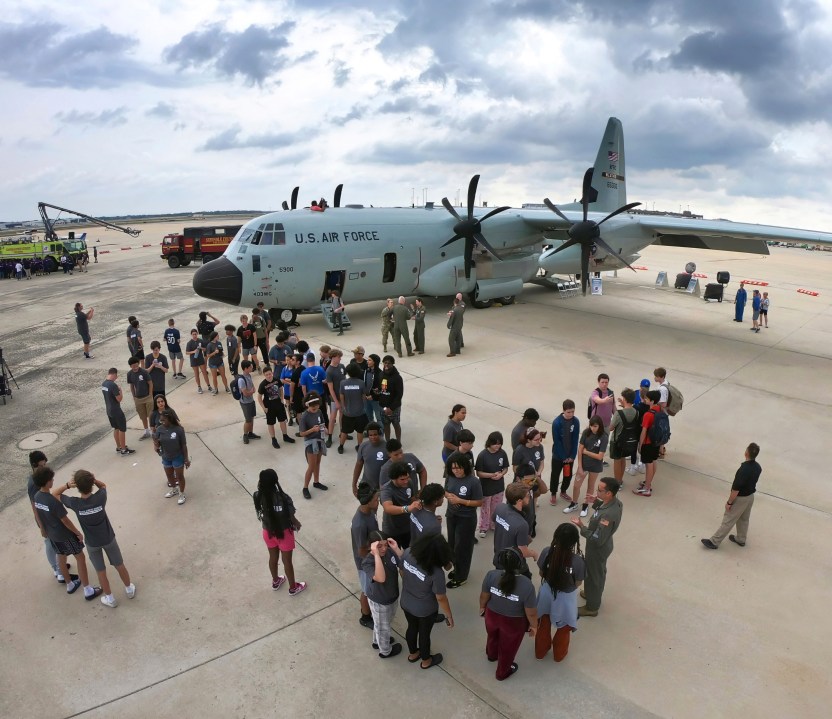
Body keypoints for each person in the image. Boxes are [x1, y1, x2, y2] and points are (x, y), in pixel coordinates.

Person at [53, 470, 136, 607]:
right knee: (119, 564)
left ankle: (110, 598)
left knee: (100, 571)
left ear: (77, 486)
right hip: (109, 539)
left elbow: (55, 494)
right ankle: (128, 588)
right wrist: (94, 480)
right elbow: (103, 486)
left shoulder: (75, 503)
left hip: (92, 543)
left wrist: (68, 485)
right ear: (91, 484)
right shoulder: (100, 497)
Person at [31, 466, 99, 600]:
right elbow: (65, 521)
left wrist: (42, 529)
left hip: (52, 535)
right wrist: (77, 532)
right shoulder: (53, 501)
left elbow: (38, 514)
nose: (53, 480)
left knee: (60, 556)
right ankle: (88, 590)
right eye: (52, 479)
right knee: (80, 557)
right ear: (47, 482)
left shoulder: (37, 496)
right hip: (65, 535)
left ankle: (69, 584)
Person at [480, 548, 538, 680]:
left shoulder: (491, 575)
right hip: (513, 623)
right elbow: (531, 612)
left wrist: (482, 607)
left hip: (491, 616)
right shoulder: (527, 585)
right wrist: (534, 626)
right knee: (508, 648)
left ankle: (491, 655)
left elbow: (484, 596)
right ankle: (502, 672)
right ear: (520, 564)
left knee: (492, 636)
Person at [400, 532, 455, 669]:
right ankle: (426, 660)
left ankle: (413, 653)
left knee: (412, 627)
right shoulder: (436, 573)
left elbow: (401, 572)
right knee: (424, 634)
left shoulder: (407, 553)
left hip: (406, 602)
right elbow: (440, 597)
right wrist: (449, 615)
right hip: (425, 610)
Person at [571, 477, 623, 617]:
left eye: (600, 490)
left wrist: (581, 526)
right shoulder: (615, 503)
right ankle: (591, 594)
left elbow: (597, 538)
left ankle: (592, 606)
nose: (596, 492)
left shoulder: (608, 514)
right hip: (604, 544)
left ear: (609, 493)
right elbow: (602, 512)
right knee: (596, 572)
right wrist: (596, 502)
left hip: (597, 548)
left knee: (595, 576)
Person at [535, 523, 584, 661]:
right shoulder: (578, 561)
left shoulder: (546, 552)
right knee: (564, 628)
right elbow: (578, 583)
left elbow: (541, 573)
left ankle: (540, 652)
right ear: (574, 542)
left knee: (544, 623)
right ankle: (558, 655)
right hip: (566, 599)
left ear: (555, 537)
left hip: (546, 592)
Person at [253, 469, 306, 595]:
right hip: (284, 533)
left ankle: (276, 581)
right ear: (275, 482)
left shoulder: (257, 495)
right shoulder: (283, 497)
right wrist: (297, 524)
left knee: (273, 557)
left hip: (267, 532)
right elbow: (291, 516)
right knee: (287, 561)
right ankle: (293, 587)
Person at [27, 451, 77, 585]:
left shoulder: (38, 478)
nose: (44, 468)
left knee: (54, 543)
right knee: (50, 543)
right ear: (34, 466)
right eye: (41, 466)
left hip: (47, 516)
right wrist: (41, 526)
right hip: (43, 518)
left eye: (44, 465)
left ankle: (59, 566)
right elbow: (34, 506)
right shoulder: (34, 483)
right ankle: (57, 570)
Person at [701, 443, 762, 550]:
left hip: (741, 498)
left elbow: (736, 489)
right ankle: (741, 539)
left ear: (746, 453)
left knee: (728, 520)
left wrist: (729, 502)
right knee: (744, 519)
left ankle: (714, 542)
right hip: (750, 497)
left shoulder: (743, 469)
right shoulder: (758, 467)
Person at [444, 451, 483, 589]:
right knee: (453, 545)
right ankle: (457, 569)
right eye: (453, 468)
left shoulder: (473, 482)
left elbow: (479, 502)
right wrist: (449, 496)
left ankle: (461, 577)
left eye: (459, 468)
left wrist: (461, 500)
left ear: (465, 467)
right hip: (451, 516)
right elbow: (446, 491)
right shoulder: (450, 477)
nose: (456, 471)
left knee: (463, 549)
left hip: (466, 519)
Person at [363, 533, 405, 658]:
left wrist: (396, 549)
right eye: (379, 546)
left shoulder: (390, 552)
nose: (384, 549)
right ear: (372, 547)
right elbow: (380, 578)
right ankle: (385, 651)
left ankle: (377, 642)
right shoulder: (368, 562)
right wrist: (376, 555)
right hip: (379, 601)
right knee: (384, 628)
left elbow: (403, 564)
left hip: (392, 597)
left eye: (386, 545)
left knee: (382, 624)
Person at [564, 416, 608, 517]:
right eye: (591, 426)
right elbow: (580, 449)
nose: (593, 428)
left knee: (590, 486)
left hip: (595, 466)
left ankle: (585, 505)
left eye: (595, 426)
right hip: (583, 465)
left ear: (599, 426)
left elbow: (600, 456)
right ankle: (574, 503)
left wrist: (587, 452)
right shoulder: (586, 432)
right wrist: (579, 466)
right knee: (576, 486)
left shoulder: (604, 437)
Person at [351, 482, 380, 629]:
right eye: (376, 499)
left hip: (373, 556)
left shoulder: (371, 511)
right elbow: (361, 551)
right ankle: (365, 616)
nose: (378, 502)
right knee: (367, 590)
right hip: (365, 563)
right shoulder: (359, 524)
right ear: (367, 502)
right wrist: (377, 552)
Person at [492, 482, 537, 574]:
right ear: (519, 501)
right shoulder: (522, 524)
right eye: (528, 496)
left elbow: (494, 520)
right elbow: (523, 551)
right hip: (514, 563)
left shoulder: (499, 507)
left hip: (499, 558)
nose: (530, 497)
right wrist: (534, 554)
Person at [476, 431, 510, 539]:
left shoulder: (502, 453)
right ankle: (483, 527)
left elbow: (505, 468)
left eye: (499, 444)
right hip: (486, 487)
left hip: (498, 486)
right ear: (489, 443)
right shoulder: (482, 455)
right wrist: (491, 475)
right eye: (495, 444)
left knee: (496, 507)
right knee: (485, 508)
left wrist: (501, 474)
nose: (497, 446)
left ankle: (494, 524)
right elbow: (479, 473)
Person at [152, 409, 191, 503]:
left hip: (178, 457)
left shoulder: (179, 429)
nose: (161, 422)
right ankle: (174, 489)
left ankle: (182, 493)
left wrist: (186, 459)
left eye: (163, 420)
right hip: (166, 457)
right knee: (169, 476)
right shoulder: (160, 429)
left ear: (170, 419)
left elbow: (184, 445)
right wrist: (156, 443)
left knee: (179, 476)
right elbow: (156, 439)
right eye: (161, 420)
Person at [380, 461, 422, 549]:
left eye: (407, 477)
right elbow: (388, 508)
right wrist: (408, 508)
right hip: (392, 530)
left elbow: (412, 498)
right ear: (393, 478)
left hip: (408, 527)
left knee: (411, 552)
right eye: (402, 479)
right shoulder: (386, 490)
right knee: (395, 556)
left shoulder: (409, 482)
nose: (406, 481)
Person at [298, 392, 328, 499]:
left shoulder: (319, 412)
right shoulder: (304, 417)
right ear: (308, 405)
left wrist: (325, 429)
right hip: (310, 443)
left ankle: (316, 482)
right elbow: (301, 433)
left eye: (317, 407)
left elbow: (323, 424)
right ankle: (305, 487)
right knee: (311, 466)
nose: (315, 409)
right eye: (313, 408)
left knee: (318, 463)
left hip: (319, 440)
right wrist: (312, 430)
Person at [633, 390, 663, 497]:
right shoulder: (660, 410)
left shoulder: (648, 414)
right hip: (656, 442)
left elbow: (644, 431)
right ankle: (648, 483)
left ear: (652, 401)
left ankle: (646, 489)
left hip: (648, 442)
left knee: (648, 464)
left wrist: (640, 445)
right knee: (654, 461)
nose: (645, 400)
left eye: (647, 399)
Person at [550, 400, 579, 506]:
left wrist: (572, 456)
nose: (571, 414)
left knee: (568, 475)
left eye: (572, 412)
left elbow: (575, 439)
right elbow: (556, 442)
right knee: (555, 475)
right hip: (558, 456)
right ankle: (553, 493)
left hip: (569, 457)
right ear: (563, 410)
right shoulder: (557, 423)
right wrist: (563, 457)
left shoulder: (575, 421)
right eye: (568, 412)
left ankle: (563, 491)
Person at [608, 389, 639, 485]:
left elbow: (611, 428)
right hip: (628, 441)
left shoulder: (619, 414)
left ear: (624, 399)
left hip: (617, 441)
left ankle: (617, 482)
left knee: (617, 461)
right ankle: (620, 479)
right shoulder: (636, 412)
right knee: (623, 459)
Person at [258, 367, 294, 448]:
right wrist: (264, 408)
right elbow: (259, 397)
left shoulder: (277, 380)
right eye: (266, 375)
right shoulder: (262, 385)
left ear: (272, 373)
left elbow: (281, 389)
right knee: (271, 423)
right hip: (269, 407)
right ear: (264, 375)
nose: (268, 376)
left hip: (279, 404)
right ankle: (273, 440)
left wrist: (282, 399)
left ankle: (285, 436)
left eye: (269, 374)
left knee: (282, 421)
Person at [101, 368, 134, 456]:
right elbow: (119, 399)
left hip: (109, 410)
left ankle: (119, 446)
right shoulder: (113, 385)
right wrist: (120, 391)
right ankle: (124, 449)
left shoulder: (104, 384)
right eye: (116, 376)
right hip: (116, 410)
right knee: (122, 429)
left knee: (116, 428)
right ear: (114, 375)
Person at [339, 362, 368, 454]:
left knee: (344, 431)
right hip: (360, 412)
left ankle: (341, 446)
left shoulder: (343, 383)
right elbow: (364, 396)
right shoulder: (361, 383)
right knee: (360, 431)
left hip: (348, 412)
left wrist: (344, 407)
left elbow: (341, 396)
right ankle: (359, 446)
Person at [352, 422, 389, 494]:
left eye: (375, 434)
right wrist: (354, 485)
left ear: (380, 433)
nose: (373, 437)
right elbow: (358, 465)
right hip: (367, 486)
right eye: (370, 435)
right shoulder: (363, 446)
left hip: (384, 487)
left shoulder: (387, 447)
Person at [126, 356, 154, 440]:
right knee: (143, 416)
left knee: (151, 415)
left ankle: (153, 431)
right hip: (138, 398)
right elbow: (131, 385)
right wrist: (134, 396)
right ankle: (146, 431)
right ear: (130, 366)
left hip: (147, 397)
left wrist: (150, 394)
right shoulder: (129, 374)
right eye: (133, 365)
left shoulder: (144, 372)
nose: (135, 366)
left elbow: (150, 383)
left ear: (138, 363)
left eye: (136, 364)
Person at [378, 355, 404, 440]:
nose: (386, 365)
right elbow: (380, 388)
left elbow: (399, 395)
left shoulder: (397, 378)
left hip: (394, 408)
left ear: (392, 364)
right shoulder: (381, 374)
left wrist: (391, 408)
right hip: (383, 406)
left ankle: (398, 442)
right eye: (385, 363)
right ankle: (388, 441)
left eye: (389, 363)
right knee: (386, 424)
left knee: (396, 424)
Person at [325, 349, 346, 447]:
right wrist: (336, 401)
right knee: (333, 417)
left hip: (343, 396)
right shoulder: (329, 371)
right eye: (339, 357)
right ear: (333, 357)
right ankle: (329, 437)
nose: (340, 358)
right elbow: (331, 389)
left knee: (342, 415)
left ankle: (342, 433)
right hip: (335, 398)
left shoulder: (342, 366)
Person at [237, 360, 259, 444]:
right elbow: (245, 393)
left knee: (252, 417)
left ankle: (250, 433)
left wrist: (252, 389)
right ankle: (245, 435)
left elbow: (252, 386)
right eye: (250, 367)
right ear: (246, 368)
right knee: (248, 420)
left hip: (251, 401)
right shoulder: (241, 380)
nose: (252, 368)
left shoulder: (249, 375)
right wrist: (252, 391)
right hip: (245, 403)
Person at [185, 328, 209, 394]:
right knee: (196, 374)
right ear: (191, 335)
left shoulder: (200, 340)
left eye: (195, 334)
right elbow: (187, 352)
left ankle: (209, 386)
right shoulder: (189, 343)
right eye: (193, 334)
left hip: (200, 359)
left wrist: (201, 348)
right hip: (193, 360)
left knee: (204, 372)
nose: (194, 335)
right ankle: (199, 387)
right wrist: (193, 351)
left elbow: (205, 349)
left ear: (197, 334)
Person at [363, 353, 383, 425]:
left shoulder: (380, 373)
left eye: (369, 360)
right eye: (367, 360)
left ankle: (380, 431)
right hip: (366, 398)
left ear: (375, 362)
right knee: (368, 416)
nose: (367, 361)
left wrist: (373, 396)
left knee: (379, 417)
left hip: (376, 400)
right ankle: (371, 431)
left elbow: (383, 388)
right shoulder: (366, 370)